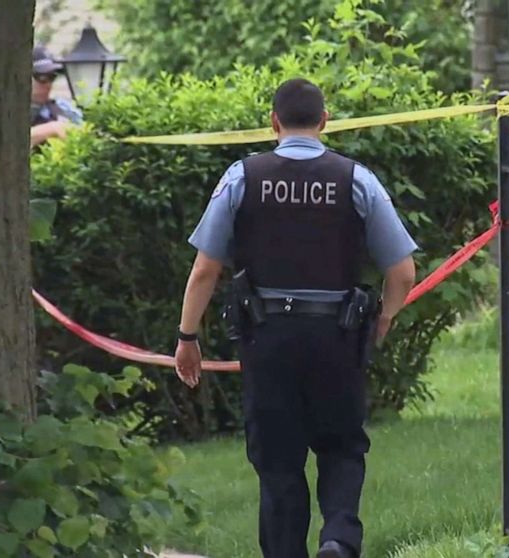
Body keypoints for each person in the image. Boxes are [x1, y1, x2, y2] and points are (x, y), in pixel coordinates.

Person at [173, 78, 417, 558]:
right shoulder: (356, 179)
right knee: (342, 445)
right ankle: (339, 538)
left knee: (278, 459)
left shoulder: (242, 177)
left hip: (268, 338)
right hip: (337, 336)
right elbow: (403, 271)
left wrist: (187, 337)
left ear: (273, 122)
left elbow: (205, 269)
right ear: (325, 121)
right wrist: (385, 317)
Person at [29, 45, 83, 148]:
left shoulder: (63, 108)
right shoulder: (4, 113)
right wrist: (50, 129)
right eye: (42, 77)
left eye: (52, 77)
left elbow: (87, 136)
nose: (48, 84)